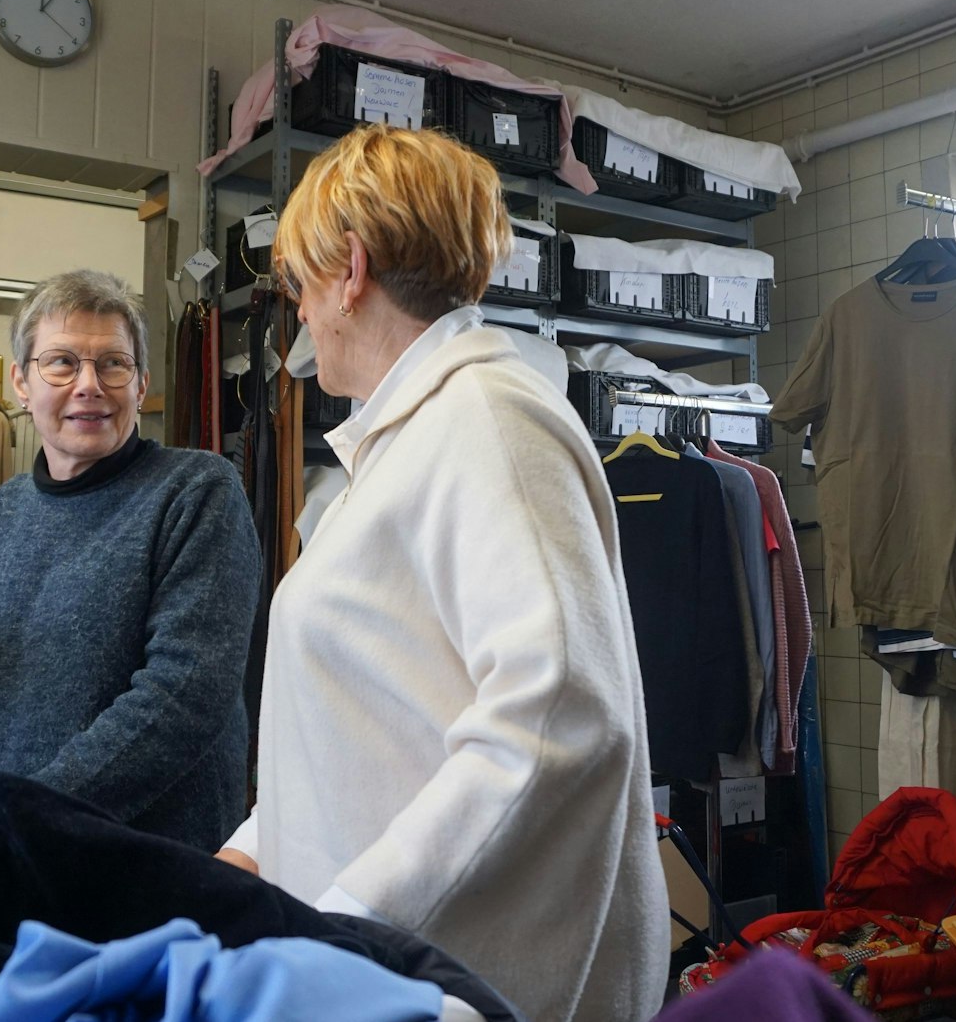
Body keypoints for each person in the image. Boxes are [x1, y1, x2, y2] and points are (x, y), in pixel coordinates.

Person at [216, 125, 668, 1021]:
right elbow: (380, 710)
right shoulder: (407, 440)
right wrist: (259, 852)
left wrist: (348, 923)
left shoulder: (489, 422)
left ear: (350, 269)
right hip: (371, 965)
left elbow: (558, 716)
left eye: (301, 285)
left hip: (443, 981)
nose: (300, 314)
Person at [0, 270, 261, 852]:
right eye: (61, 363)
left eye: (113, 364)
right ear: (21, 383)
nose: (89, 385)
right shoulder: (5, 511)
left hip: (148, 864)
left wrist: (25, 811)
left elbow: (184, 698)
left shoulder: (196, 491)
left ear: (141, 383)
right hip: (22, 850)